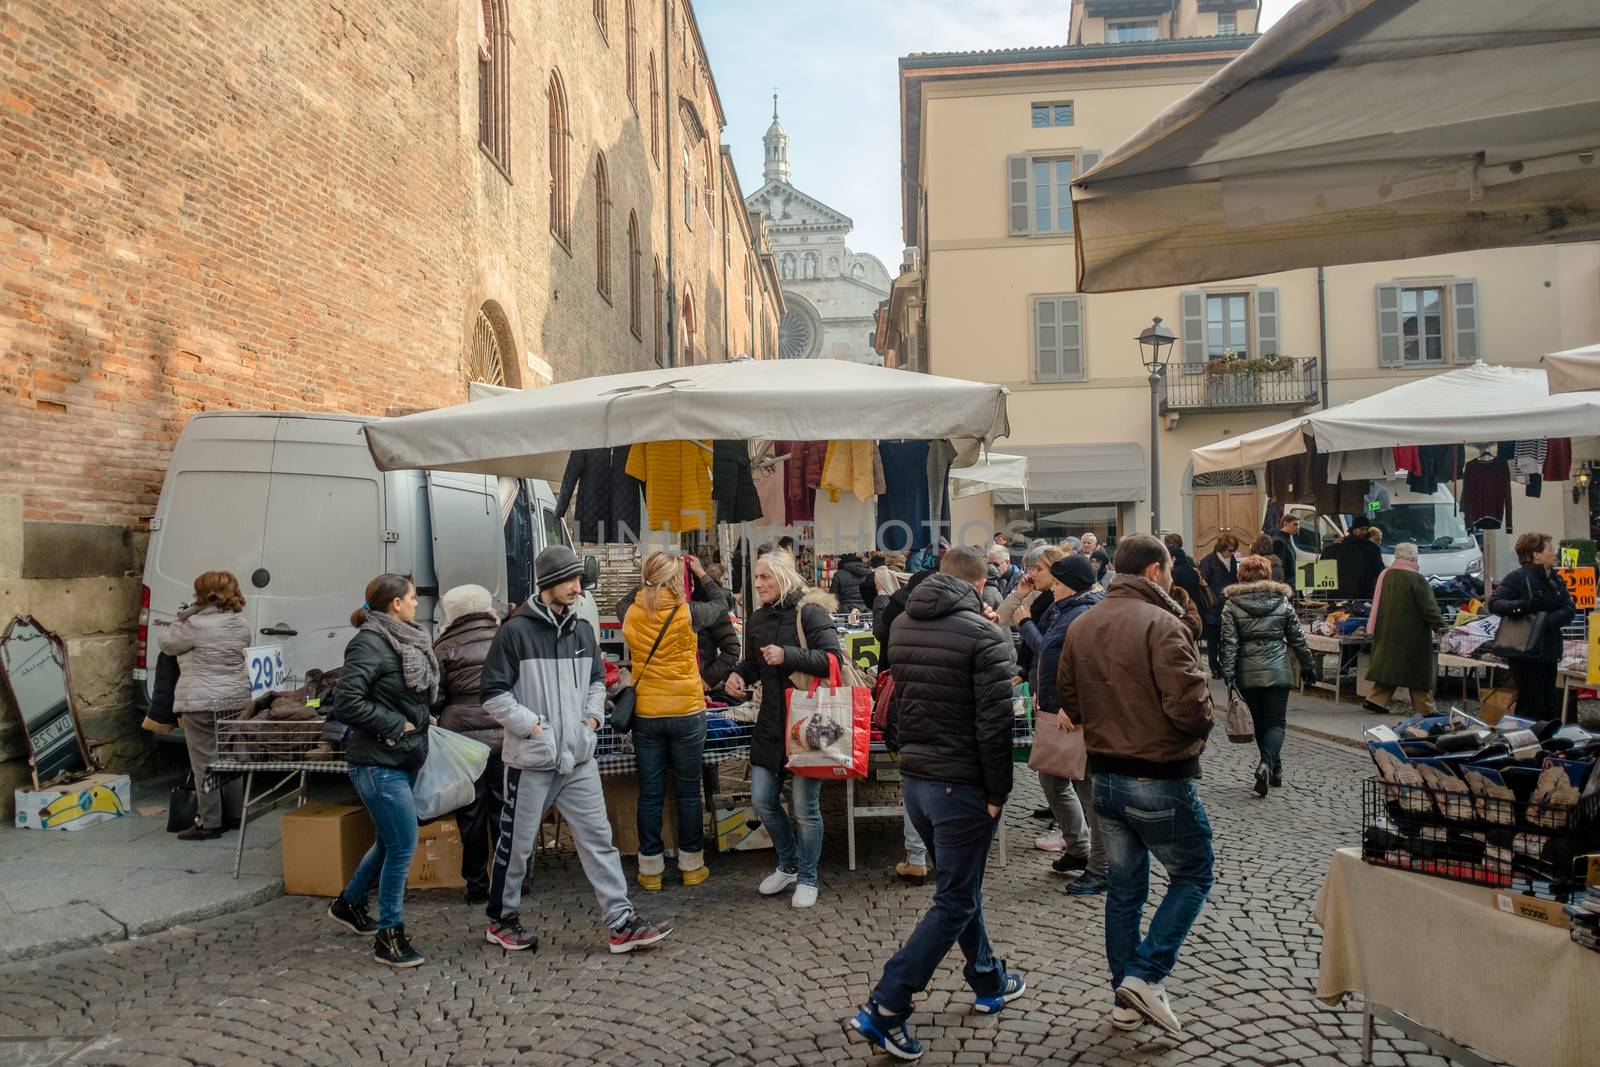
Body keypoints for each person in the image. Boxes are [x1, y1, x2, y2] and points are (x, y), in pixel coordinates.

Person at [851, 548, 1021, 1059]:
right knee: (956, 899)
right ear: (978, 583)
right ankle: (888, 1004)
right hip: (961, 785)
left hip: (919, 779)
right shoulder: (986, 635)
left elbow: (901, 700)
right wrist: (998, 794)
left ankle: (989, 980)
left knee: (959, 888)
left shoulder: (902, 622)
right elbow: (996, 726)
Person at [1057, 535, 1215, 1037]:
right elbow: (1189, 708)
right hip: (1158, 774)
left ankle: (1125, 999)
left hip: (1105, 776)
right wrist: (1198, 725)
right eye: (1167, 570)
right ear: (1153, 572)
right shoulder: (1163, 623)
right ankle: (1145, 975)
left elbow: (1069, 700)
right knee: (1192, 874)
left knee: (1124, 892)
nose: (1170, 578)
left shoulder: (1084, 623)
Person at [480, 546, 673, 954]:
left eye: (579, 579)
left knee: (599, 839)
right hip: (533, 761)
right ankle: (501, 919)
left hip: (578, 757)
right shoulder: (514, 632)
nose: (578, 587)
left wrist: (590, 723)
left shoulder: (582, 629)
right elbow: (493, 695)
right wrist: (536, 730)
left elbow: (596, 683)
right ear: (547, 583)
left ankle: (620, 921)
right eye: (570, 580)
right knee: (517, 843)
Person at [326, 573, 437, 968]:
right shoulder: (370, 642)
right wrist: (396, 724)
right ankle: (390, 936)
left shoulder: (406, 638)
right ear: (395, 604)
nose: (416, 603)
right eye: (411, 597)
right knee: (404, 844)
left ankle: (350, 903)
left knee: (390, 841)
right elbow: (346, 703)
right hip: (376, 761)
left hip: (402, 756)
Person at [724, 552, 841, 908]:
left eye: (764, 577)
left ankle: (808, 876)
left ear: (783, 578)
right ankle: (788, 863)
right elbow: (752, 662)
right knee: (762, 800)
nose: (757, 584)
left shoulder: (810, 612)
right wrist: (738, 674)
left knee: (805, 807)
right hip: (772, 722)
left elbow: (834, 659)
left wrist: (787, 654)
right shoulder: (757, 618)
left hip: (810, 722)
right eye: (756, 578)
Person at [622, 551, 710, 890]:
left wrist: (646, 583)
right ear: (677, 580)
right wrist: (700, 574)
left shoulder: (631, 612)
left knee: (651, 793)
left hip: (647, 712)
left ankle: (650, 870)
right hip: (687, 710)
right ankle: (691, 866)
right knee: (688, 792)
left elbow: (625, 600)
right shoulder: (690, 612)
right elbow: (720, 602)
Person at [1020, 553, 1107, 895]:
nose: (1052, 587)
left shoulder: (1081, 613)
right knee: (1051, 777)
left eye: (1056, 582)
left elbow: (1077, 665)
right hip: (1058, 710)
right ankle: (1078, 848)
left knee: (1088, 790)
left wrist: (1025, 622)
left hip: (1072, 716)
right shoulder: (1066, 609)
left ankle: (1101, 868)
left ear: (1069, 585)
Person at [158, 570, 249, 841]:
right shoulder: (240, 624)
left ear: (201, 594)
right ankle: (235, 815)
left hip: (201, 700)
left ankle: (210, 822)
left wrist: (184, 615)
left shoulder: (194, 625)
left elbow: (167, 643)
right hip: (236, 697)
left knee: (205, 762)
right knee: (231, 755)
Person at [1220, 556, 1315, 797]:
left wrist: (1229, 675)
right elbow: (1297, 638)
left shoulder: (1232, 604)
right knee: (1276, 722)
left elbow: (1229, 643)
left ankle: (1270, 766)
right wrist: (1308, 665)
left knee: (1260, 723)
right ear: (1268, 574)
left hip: (1247, 671)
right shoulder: (1282, 601)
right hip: (1277, 668)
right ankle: (1270, 766)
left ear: (1241, 576)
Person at [432, 584, 504, 904]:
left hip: (461, 740)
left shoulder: (443, 646)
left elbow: (435, 697)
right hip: (504, 732)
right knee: (506, 808)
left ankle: (476, 884)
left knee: (470, 813)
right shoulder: (505, 637)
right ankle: (509, 880)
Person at [873, 565, 936, 885]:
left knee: (916, 787)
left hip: (912, 719)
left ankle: (916, 858)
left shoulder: (900, 619)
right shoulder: (968, 622)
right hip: (944, 722)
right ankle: (940, 857)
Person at [1488, 532, 1576, 720]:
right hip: (1524, 652)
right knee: (1531, 704)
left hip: (1550, 649)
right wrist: (1524, 606)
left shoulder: (1555, 579)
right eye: (1550, 549)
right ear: (1536, 554)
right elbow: (1494, 604)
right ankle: (1524, 744)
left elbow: (1569, 608)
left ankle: (1545, 745)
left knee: (1548, 703)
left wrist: (1545, 621)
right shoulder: (1517, 578)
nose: (1555, 553)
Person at [1362, 542, 1444, 716]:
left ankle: (1376, 700)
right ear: (1413, 557)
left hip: (1387, 628)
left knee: (1390, 667)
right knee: (1417, 671)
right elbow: (1429, 607)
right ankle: (1425, 708)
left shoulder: (1386, 575)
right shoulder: (1417, 579)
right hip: (1412, 633)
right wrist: (1440, 625)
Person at [1198, 535, 1240, 679]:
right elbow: (1203, 586)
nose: (1232, 553)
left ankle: (1223, 665)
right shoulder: (1208, 562)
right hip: (1213, 607)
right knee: (1213, 641)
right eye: (1230, 550)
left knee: (1225, 639)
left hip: (1228, 604)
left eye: (1234, 551)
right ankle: (1214, 667)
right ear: (1221, 549)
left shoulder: (1232, 559)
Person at [1270, 515, 1301, 595]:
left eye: (1298, 525)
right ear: (1286, 524)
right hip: (1286, 587)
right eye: (1295, 524)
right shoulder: (1279, 541)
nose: (1298, 527)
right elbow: (1279, 567)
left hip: (1289, 585)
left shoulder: (1285, 539)